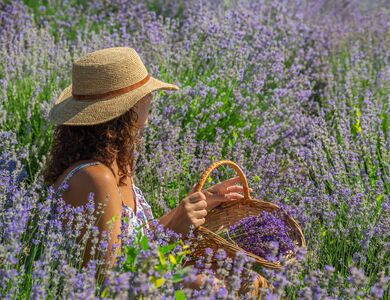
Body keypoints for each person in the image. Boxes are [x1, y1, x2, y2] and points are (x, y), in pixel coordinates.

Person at [41, 47, 254, 291]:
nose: (150, 99)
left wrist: (187, 210)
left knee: (241, 276)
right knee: (213, 286)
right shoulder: (94, 178)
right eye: (144, 95)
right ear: (126, 110)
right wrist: (177, 232)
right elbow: (108, 283)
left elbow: (135, 242)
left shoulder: (116, 167)